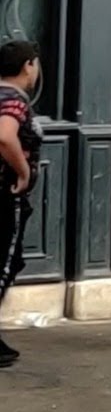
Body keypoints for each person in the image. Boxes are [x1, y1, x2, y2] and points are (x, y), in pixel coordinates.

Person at [0, 41, 42, 368]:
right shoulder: (13, 99)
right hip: (5, 192)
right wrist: (23, 171)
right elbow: (4, 135)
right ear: (28, 66)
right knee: (4, 263)